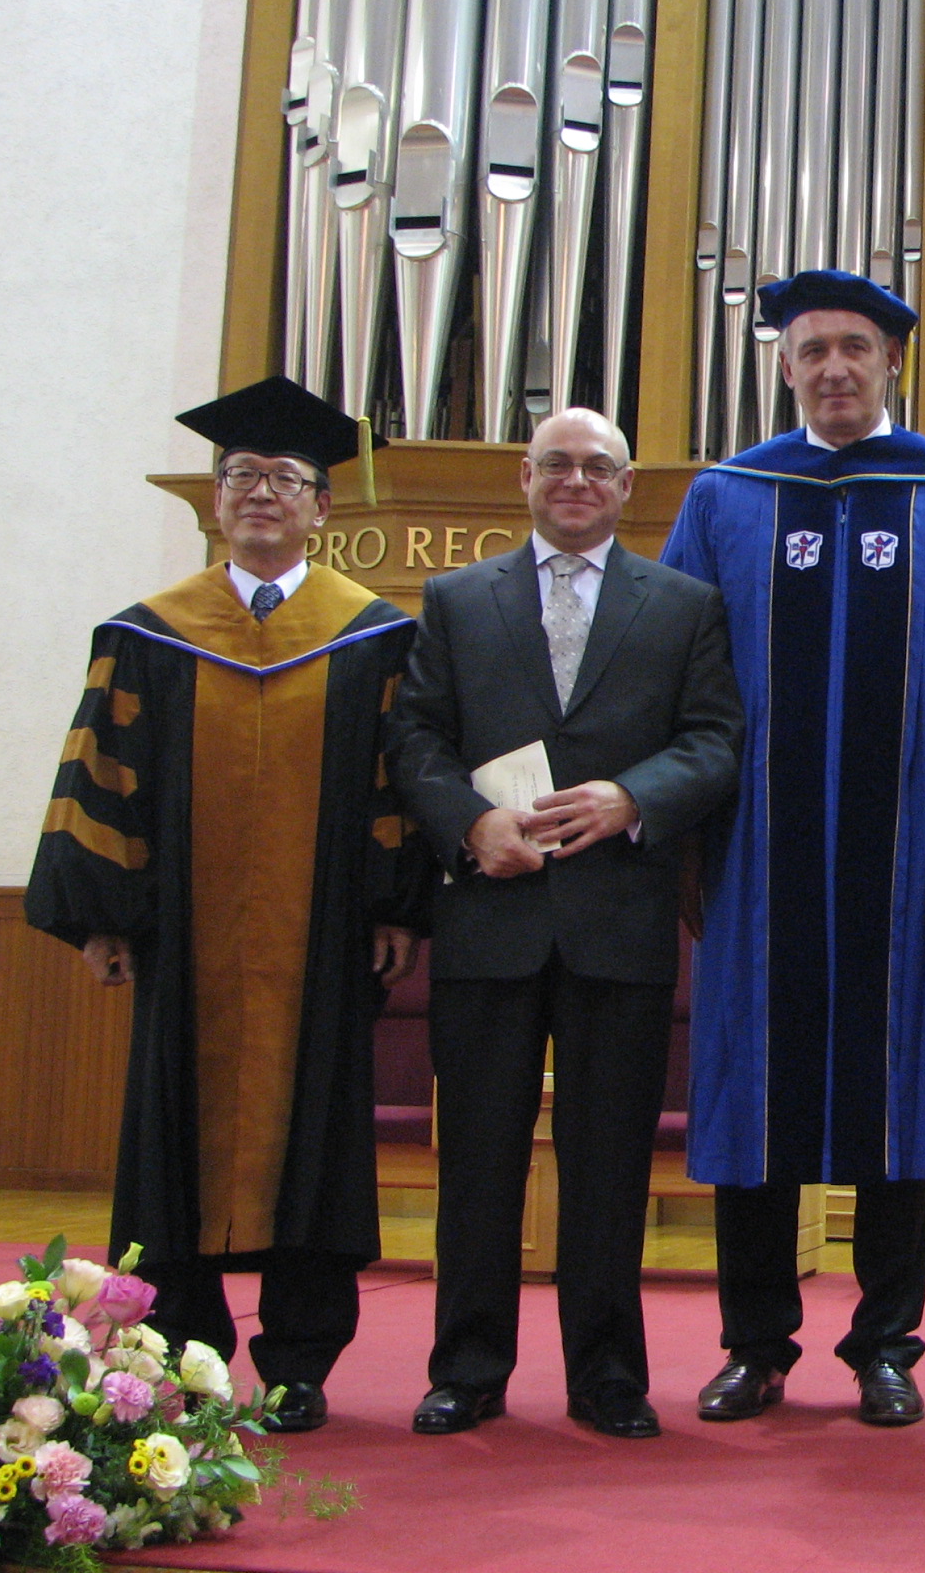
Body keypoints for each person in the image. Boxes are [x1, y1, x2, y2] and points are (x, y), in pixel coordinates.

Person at [25, 376, 431, 1434]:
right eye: (241, 475)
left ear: (321, 507)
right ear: (215, 500)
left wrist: (397, 905)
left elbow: (398, 783)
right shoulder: (149, 637)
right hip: (183, 947)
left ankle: (299, 1363)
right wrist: (103, 915)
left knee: (318, 1138)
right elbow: (103, 778)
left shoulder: (371, 640)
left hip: (323, 948)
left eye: (284, 478)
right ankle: (184, 1358)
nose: (260, 492)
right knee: (172, 1142)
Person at [663, 269, 925, 1429]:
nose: (832, 368)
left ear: (890, 362)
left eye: (853, 348)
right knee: (751, 1090)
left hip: (909, 857)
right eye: (811, 349)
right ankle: (755, 1343)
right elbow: (678, 677)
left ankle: (885, 1345)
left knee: (898, 1091)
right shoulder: (727, 497)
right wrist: (683, 842)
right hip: (755, 854)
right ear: (783, 367)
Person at [386, 406, 742, 1439]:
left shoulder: (683, 606)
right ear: (525, 478)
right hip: (489, 919)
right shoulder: (456, 600)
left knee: (609, 1165)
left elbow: (716, 740)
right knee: (479, 1162)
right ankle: (467, 1370)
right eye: (557, 465)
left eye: (597, 467)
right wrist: (468, 825)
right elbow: (415, 737)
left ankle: (607, 1377)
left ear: (627, 486)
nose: (576, 481)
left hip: (618, 923)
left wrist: (633, 797)